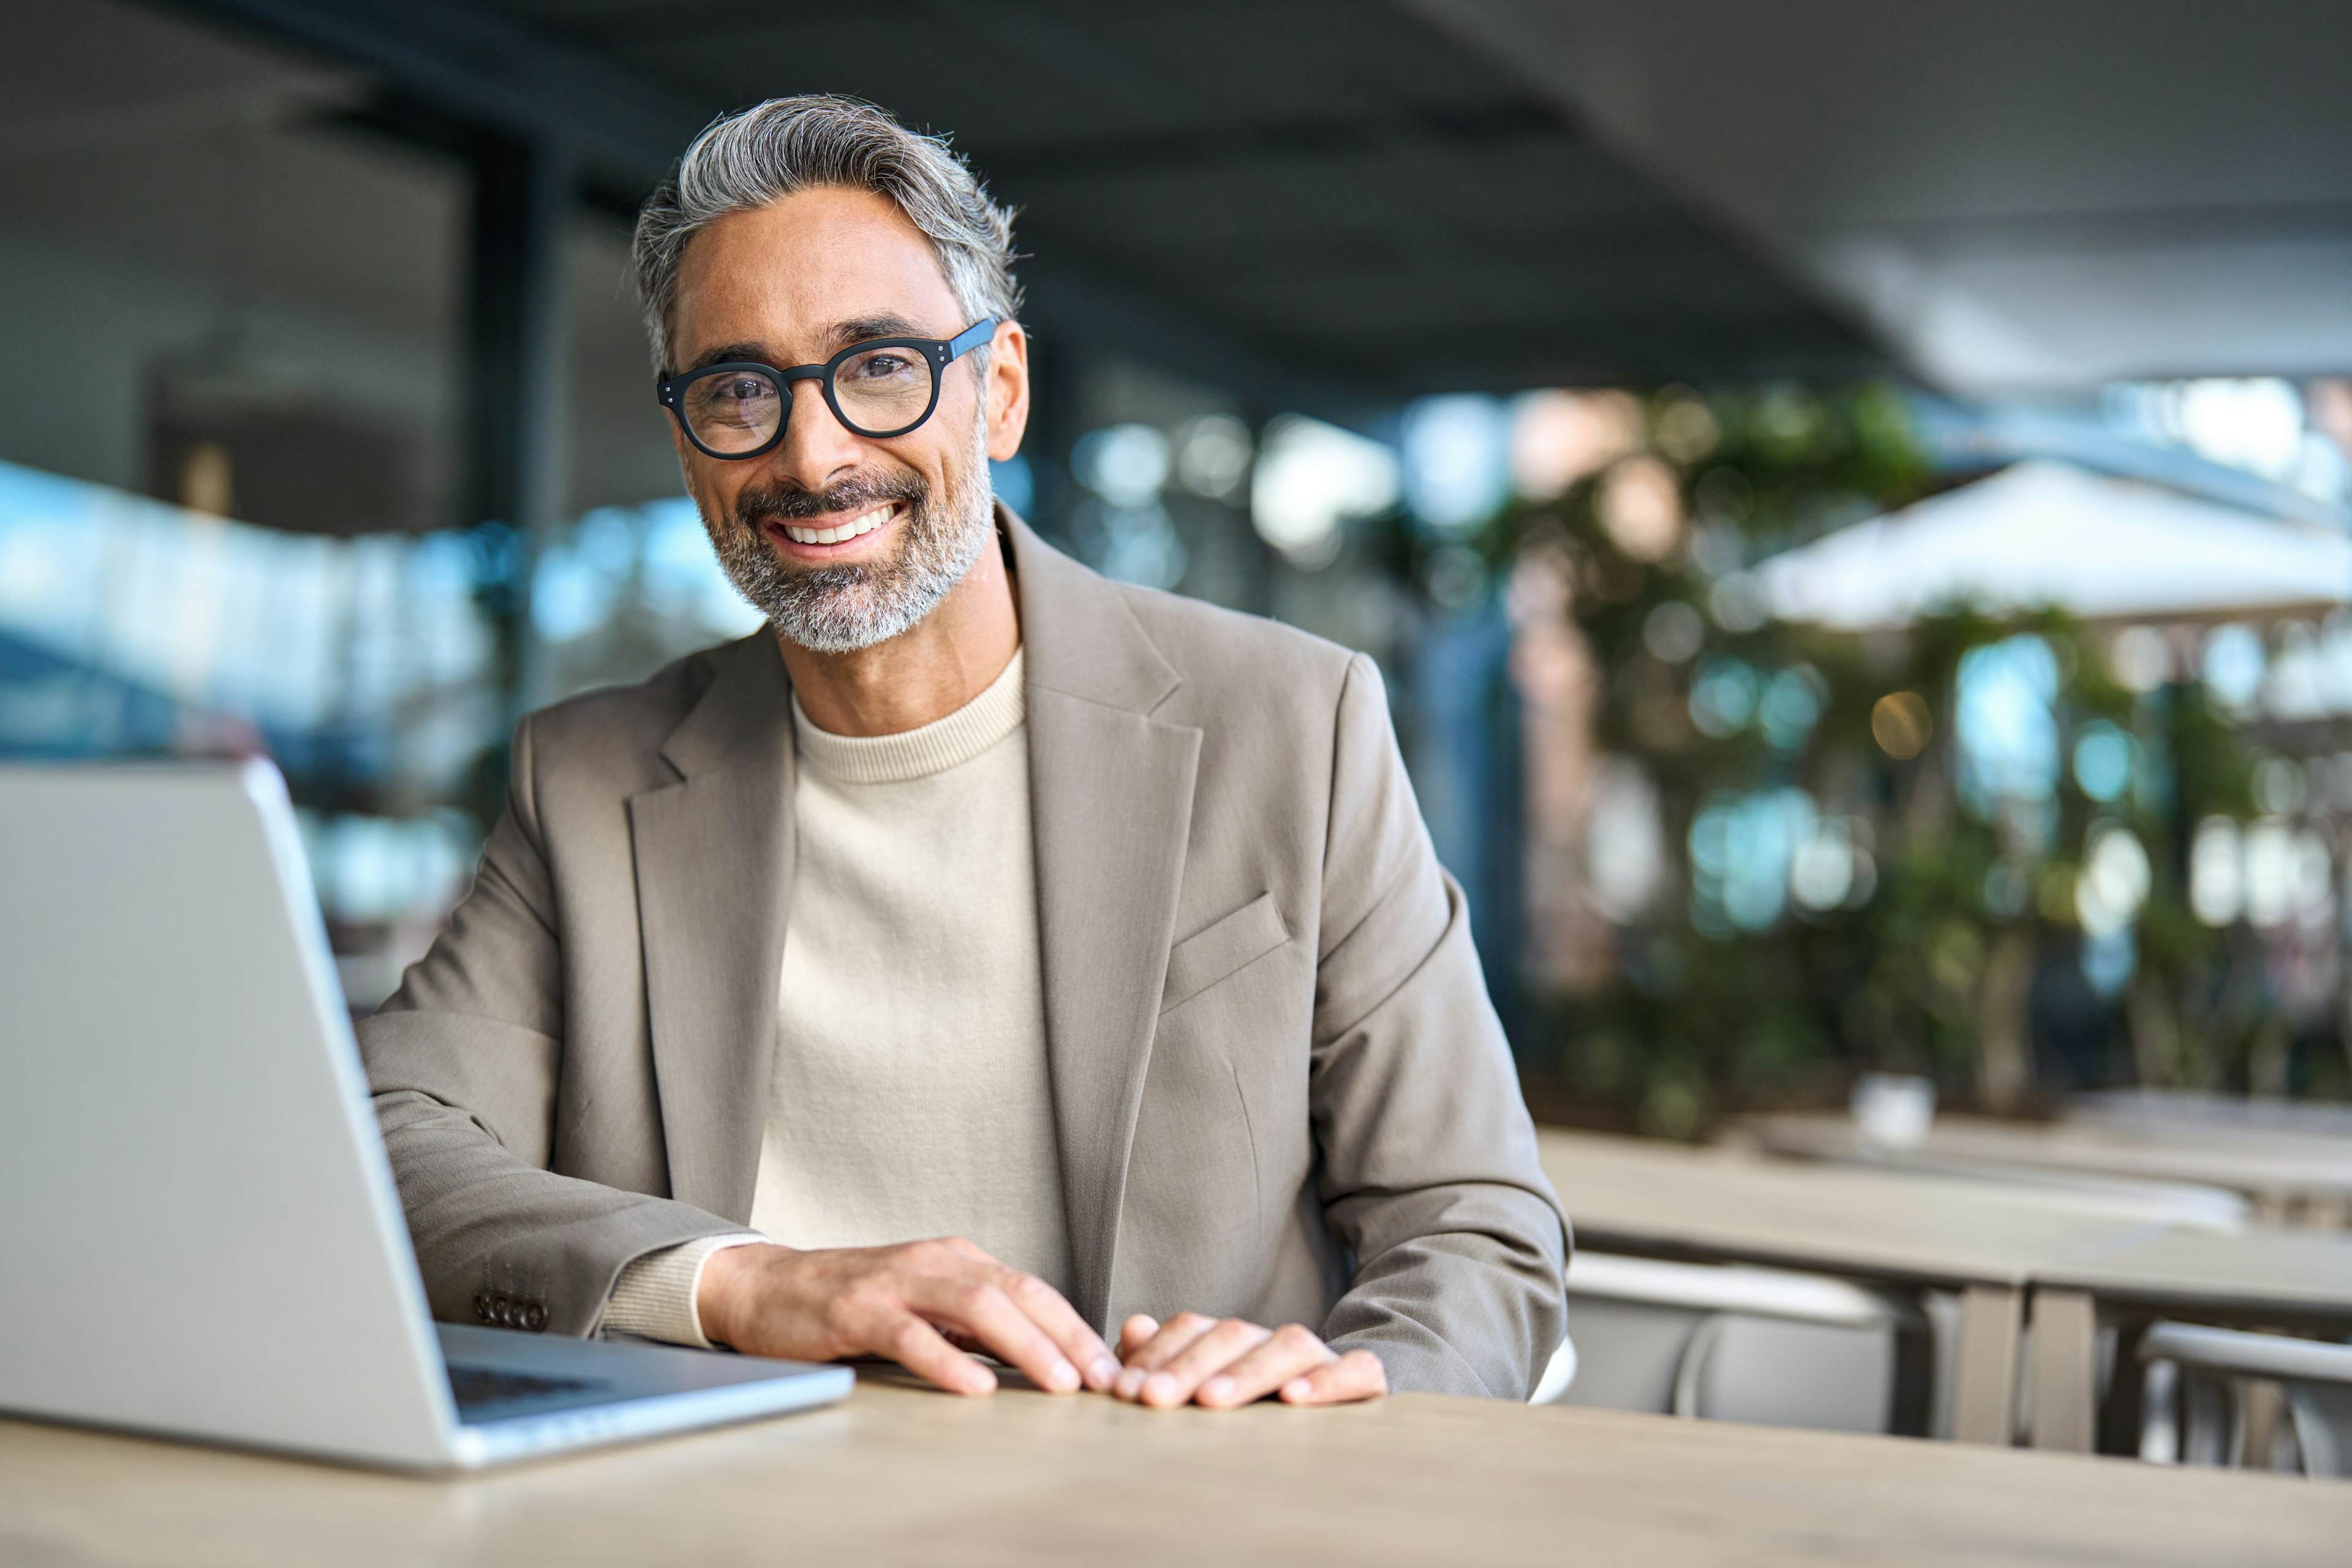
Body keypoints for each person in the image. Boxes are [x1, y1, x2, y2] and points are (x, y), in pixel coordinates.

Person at [361, 94, 1567, 1410]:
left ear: (998, 392)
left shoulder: (1294, 723)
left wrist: (1350, 1375)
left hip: (1174, 1502)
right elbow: (379, 1139)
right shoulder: (587, 780)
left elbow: (1475, 1224)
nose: (811, 454)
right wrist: (742, 1283)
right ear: (687, 441)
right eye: (738, 389)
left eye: (878, 366)